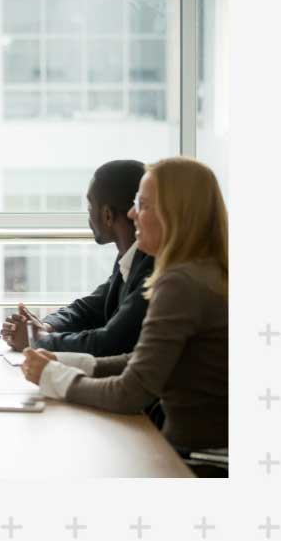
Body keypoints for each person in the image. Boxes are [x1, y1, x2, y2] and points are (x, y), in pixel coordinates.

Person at [20, 157, 228, 454]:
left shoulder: (181, 283)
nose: (132, 213)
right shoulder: (200, 271)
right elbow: (139, 361)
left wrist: (52, 376)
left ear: (175, 215)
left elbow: (130, 392)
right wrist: (60, 360)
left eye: (143, 205)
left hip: (198, 460)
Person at [1, 160, 154, 357]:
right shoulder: (129, 257)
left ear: (107, 215)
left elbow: (110, 342)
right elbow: (89, 309)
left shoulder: (151, 267)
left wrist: (38, 340)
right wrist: (45, 327)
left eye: (90, 206)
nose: (88, 215)